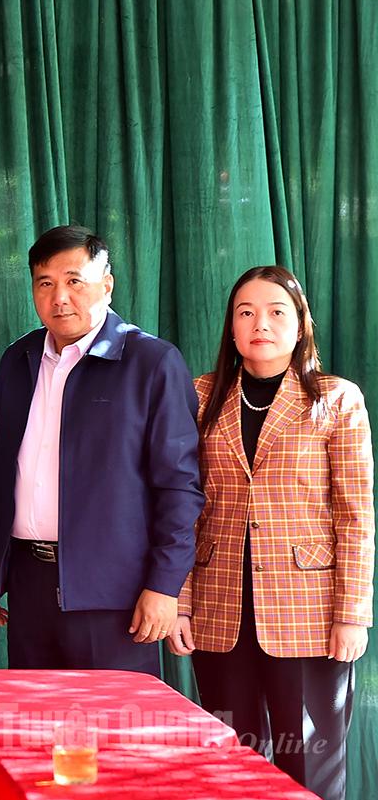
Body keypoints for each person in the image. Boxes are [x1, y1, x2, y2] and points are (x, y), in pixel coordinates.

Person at [167, 266, 373, 800]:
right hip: (219, 607)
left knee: (310, 766)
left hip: (309, 614)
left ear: (300, 325)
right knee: (231, 763)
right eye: (246, 312)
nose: (261, 323)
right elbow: (182, 508)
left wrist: (352, 614)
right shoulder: (200, 395)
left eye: (276, 311)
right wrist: (179, 603)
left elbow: (356, 515)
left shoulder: (336, 399)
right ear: (232, 328)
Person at [0, 224, 203, 677]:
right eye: (45, 283)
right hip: (28, 583)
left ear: (107, 284)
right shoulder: (18, 361)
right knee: (35, 715)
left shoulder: (151, 362)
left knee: (109, 719)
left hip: (115, 592)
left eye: (74, 281)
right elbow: (4, 470)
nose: (59, 297)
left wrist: (164, 585)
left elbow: (179, 486)